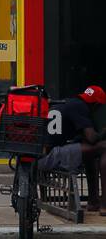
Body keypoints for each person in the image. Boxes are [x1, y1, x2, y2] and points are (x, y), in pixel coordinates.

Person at [39, 84, 106, 214]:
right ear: (95, 105)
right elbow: (92, 138)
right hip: (51, 156)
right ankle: (104, 205)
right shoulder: (80, 107)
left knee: (90, 153)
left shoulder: (69, 103)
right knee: (104, 147)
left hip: (43, 155)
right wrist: (104, 132)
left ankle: (93, 202)